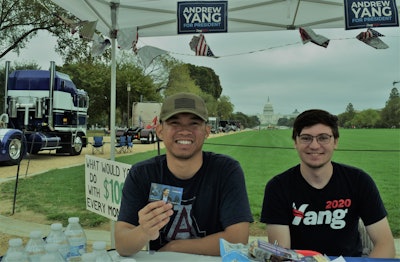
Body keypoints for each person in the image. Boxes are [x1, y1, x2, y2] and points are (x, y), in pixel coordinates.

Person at [115, 92, 253, 256]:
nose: (185, 131)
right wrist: (144, 231)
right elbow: (122, 245)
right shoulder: (142, 174)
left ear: (207, 131)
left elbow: (238, 239)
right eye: (175, 123)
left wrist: (174, 247)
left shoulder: (227, 171)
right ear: (159, 130)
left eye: (194, 124)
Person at [260, 109, 395, 258]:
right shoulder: (278, 187)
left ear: (335, 142)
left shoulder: (359, 181)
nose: (315, 146)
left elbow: (385, 245)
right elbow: (282, 254)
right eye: (306, 138)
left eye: (323, 138)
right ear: (295, 143)